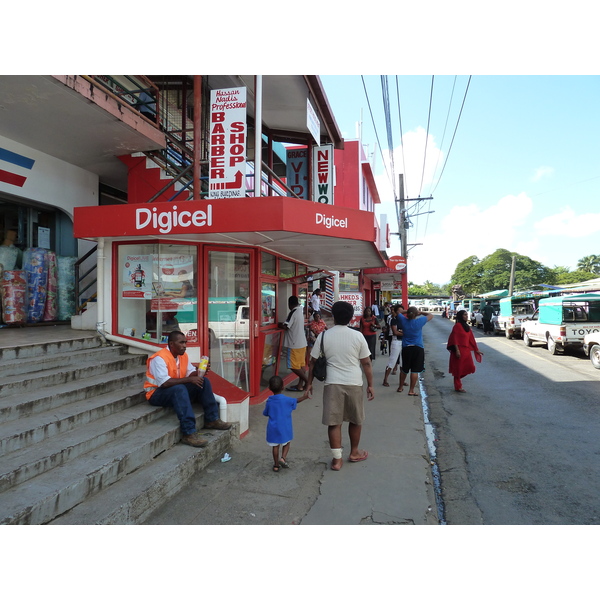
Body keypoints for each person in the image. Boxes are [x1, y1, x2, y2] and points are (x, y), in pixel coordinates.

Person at [301, 301, 374, 471]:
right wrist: (370, 385)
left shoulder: (324, 336)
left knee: (334, 422)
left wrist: (309, 383)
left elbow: (312, 363)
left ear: (333, 316)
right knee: (355, 420)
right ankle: (354, 452)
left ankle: (337, 460)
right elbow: (367, 364)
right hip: (354, 383)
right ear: (350, 317)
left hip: (332, 383)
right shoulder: (358, 336)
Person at [144, 330, 232, 448]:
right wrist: (190, 380)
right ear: (171, 344)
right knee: (179, 389)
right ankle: (189, 433)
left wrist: (200, 372)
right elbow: (165, 383)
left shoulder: (183, 356)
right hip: (156, 394)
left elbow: (190, 374)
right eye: (181, 343)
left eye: (185, 342)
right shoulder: (159, 358)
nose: (185, 345)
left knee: (204, 381)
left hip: (174, 389)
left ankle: (212, 419)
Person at [263, 375, 297, 472]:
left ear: (269, 388)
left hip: (273, 428)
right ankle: (283, 458)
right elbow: (296, 401)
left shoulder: (269, 401)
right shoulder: (287, 400)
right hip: (285, 426)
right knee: (287, 442)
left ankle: (276, 465)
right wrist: (305, 396)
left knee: (275, 446)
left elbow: (266, 413)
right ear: (283, 387)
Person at [397, 306, 434, 395]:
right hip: (418, 348)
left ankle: (400, 387)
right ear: (416, 315)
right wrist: (420, 312)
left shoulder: (404, 321)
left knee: (404, 369)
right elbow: (431, 315)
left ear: (408, 314)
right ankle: (411, 390)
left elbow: (399, 312)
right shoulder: (419, 321)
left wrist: (408, 311)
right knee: (415, 370)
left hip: (406, 348)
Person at [447, 309, 484, 392]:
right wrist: (457, 350)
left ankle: (457, 379)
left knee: (470, 367)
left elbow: (471, 339)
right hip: (459, 350)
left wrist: (476, 349)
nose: (466, 316)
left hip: (466, 350)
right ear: (460, 316)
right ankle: (458, 386)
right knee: (459, 369)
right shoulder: (457, 326)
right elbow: (454, 339)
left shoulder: (467, 327)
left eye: (467, 314)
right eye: (464, 315)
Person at [279, 295, 308, 393]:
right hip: (302, 342)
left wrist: (279, 324)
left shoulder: (293, 312)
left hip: (294, 344)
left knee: (292, 366)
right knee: (301, 365)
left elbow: (286, 326)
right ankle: (300, 386)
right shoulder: (300, 311)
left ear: (290, 304)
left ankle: (307, 381)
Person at [382, 303, 403, 386]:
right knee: (392, 361)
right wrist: (405, 333)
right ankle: (385, 380)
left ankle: (402, 380)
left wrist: (401, 333)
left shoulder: (403, 320)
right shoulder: (393, 319)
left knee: (403, 363)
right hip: (396, 341)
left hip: (403, 341)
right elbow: (395, 332)